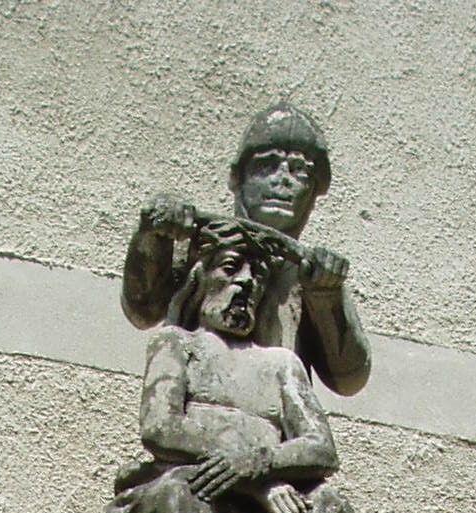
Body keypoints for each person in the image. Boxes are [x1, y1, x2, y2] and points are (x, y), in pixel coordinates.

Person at [91, 218, 355, 513]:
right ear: (200, 279)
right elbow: (160, 428)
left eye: (255, 281)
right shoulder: (178, 345)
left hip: (258, 485)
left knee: (330, 508)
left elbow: (321, 448)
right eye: (230, 270)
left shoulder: (280, 366)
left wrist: (260, 464)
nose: (244, 286)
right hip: (188, 486)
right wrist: (254, 481)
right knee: (191, 494)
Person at [121, 101, 371, 398]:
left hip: (275, 420)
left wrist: (326, 293)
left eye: (300, 171)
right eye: (267, 165)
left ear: (314, 190)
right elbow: (142, 309)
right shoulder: (204, 246)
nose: (283, 179)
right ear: (236, 177)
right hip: (196, 410)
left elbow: (349, 378)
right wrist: (154, 234)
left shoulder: (308, 273)